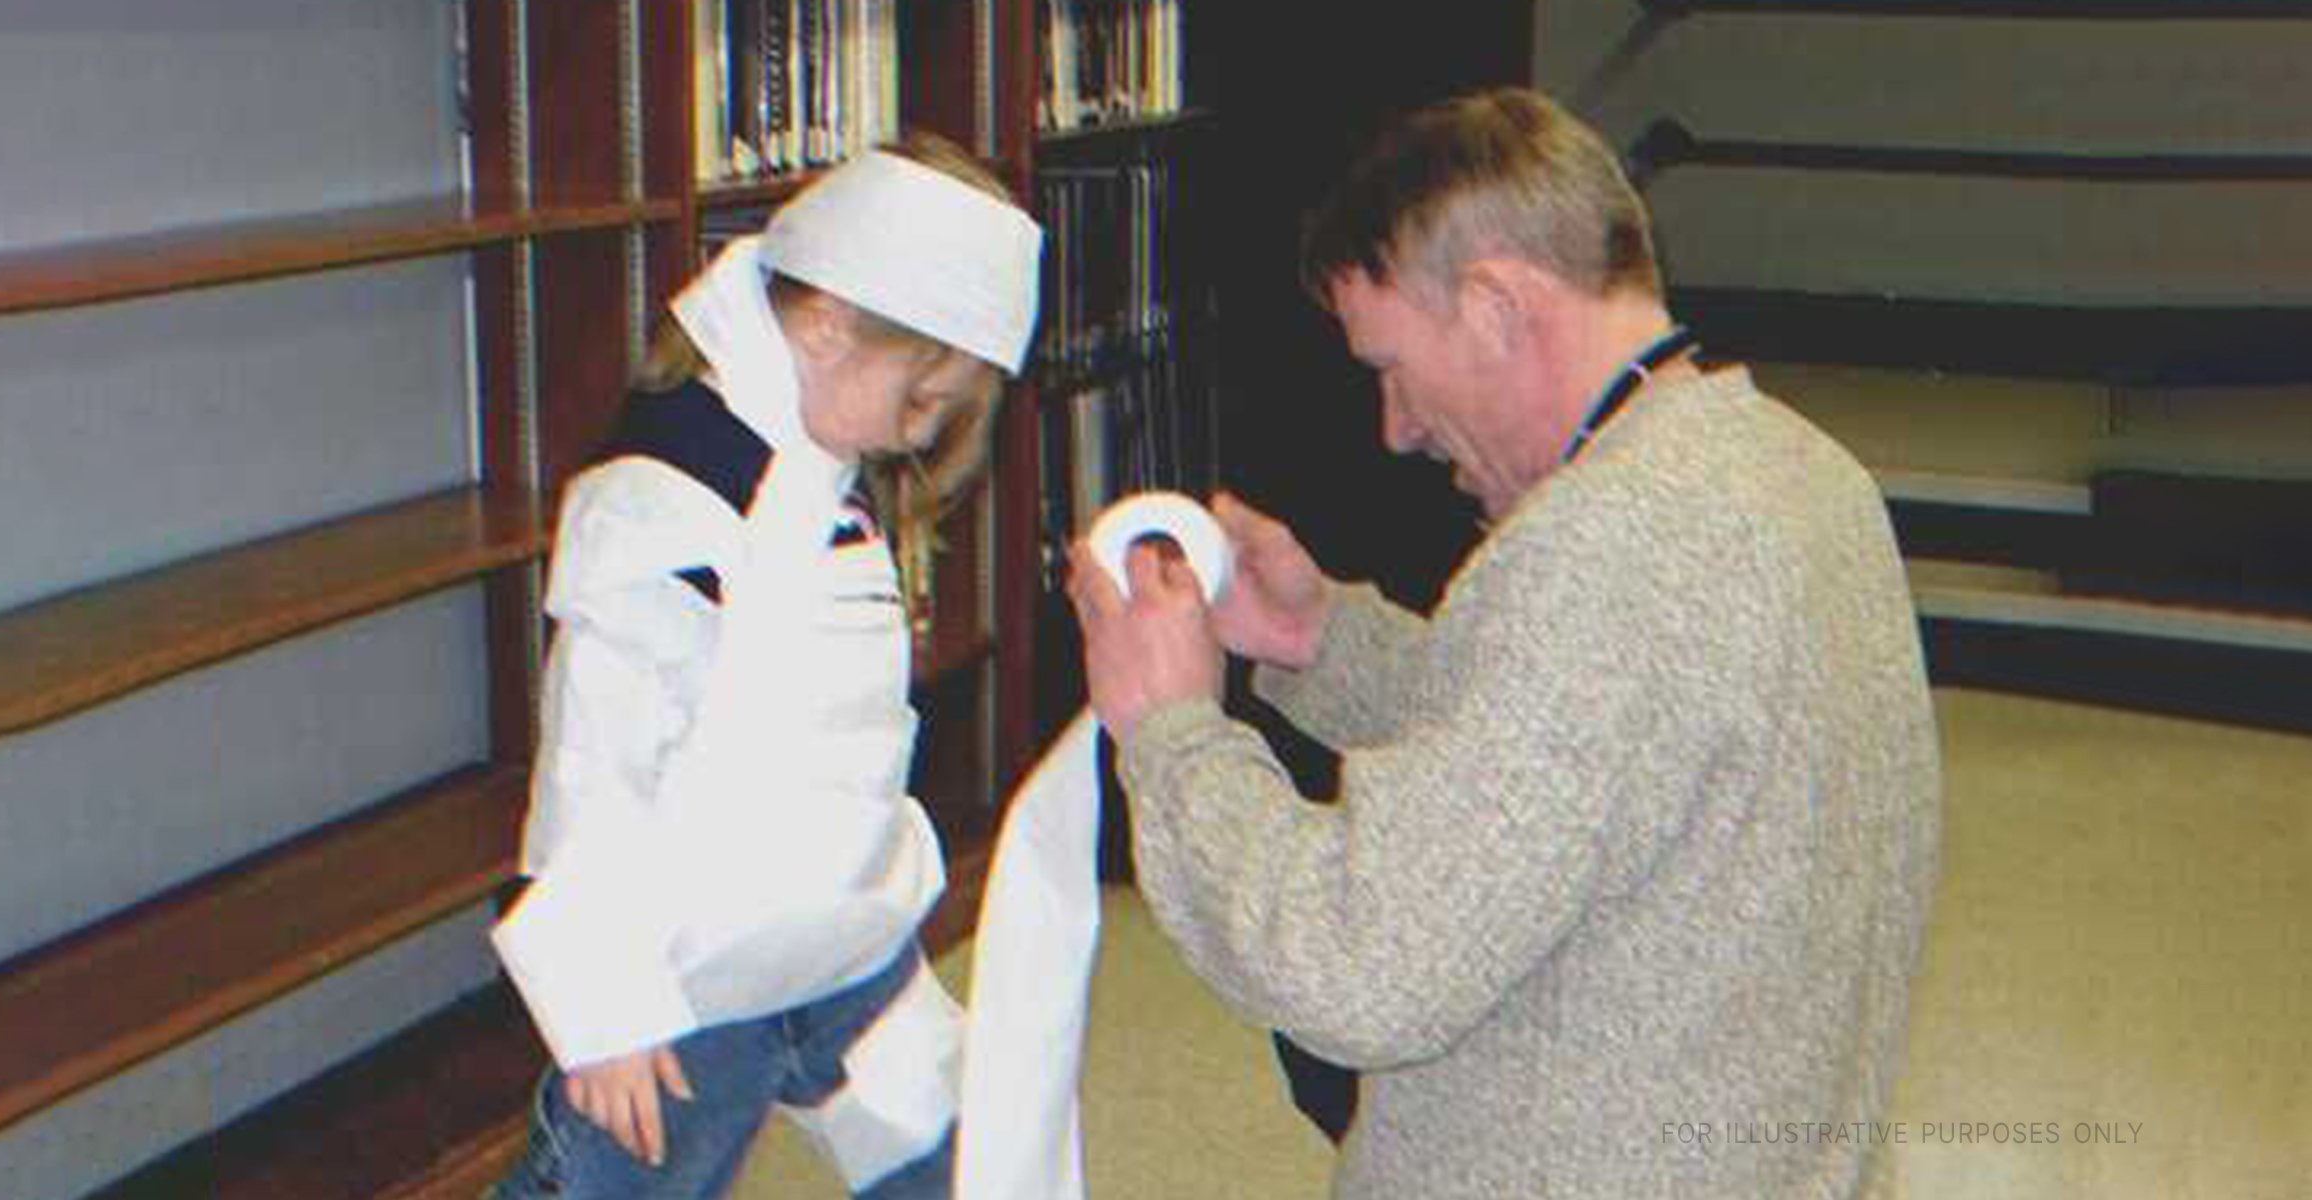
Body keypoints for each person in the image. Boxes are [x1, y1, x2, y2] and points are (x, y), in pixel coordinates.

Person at [1068, 86, 1941, 1198]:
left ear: (1493, 307)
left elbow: (1358, 963)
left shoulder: (1601, 548)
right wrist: (1316, 639)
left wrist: (1171, 731)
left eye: (1391, 367)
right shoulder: (1801, 473)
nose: (1395, 429)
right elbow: (1579, 763)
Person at [487, 132, 1041, 1200]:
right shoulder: (668, 504)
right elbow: (591, 767)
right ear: (828, 326)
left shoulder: (822, 471)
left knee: (969, 1162)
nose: (914, 436)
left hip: (840, 946)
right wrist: (604, 1010)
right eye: (919, 400)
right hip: (695, 986)